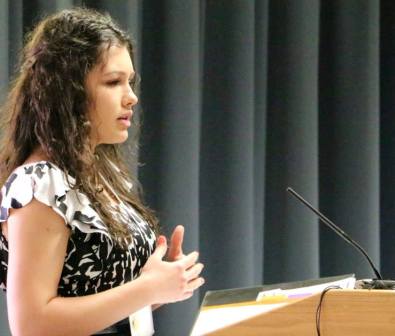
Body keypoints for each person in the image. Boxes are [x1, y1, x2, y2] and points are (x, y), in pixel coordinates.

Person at [0, 7, 204, 336]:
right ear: (69, 92)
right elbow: (32, 325)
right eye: (113, 82)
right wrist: (146, 289)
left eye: (130, 82)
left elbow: (103, 303)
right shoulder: (39, 184)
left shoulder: (100, 172)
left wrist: (162, 283)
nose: (132, 97)